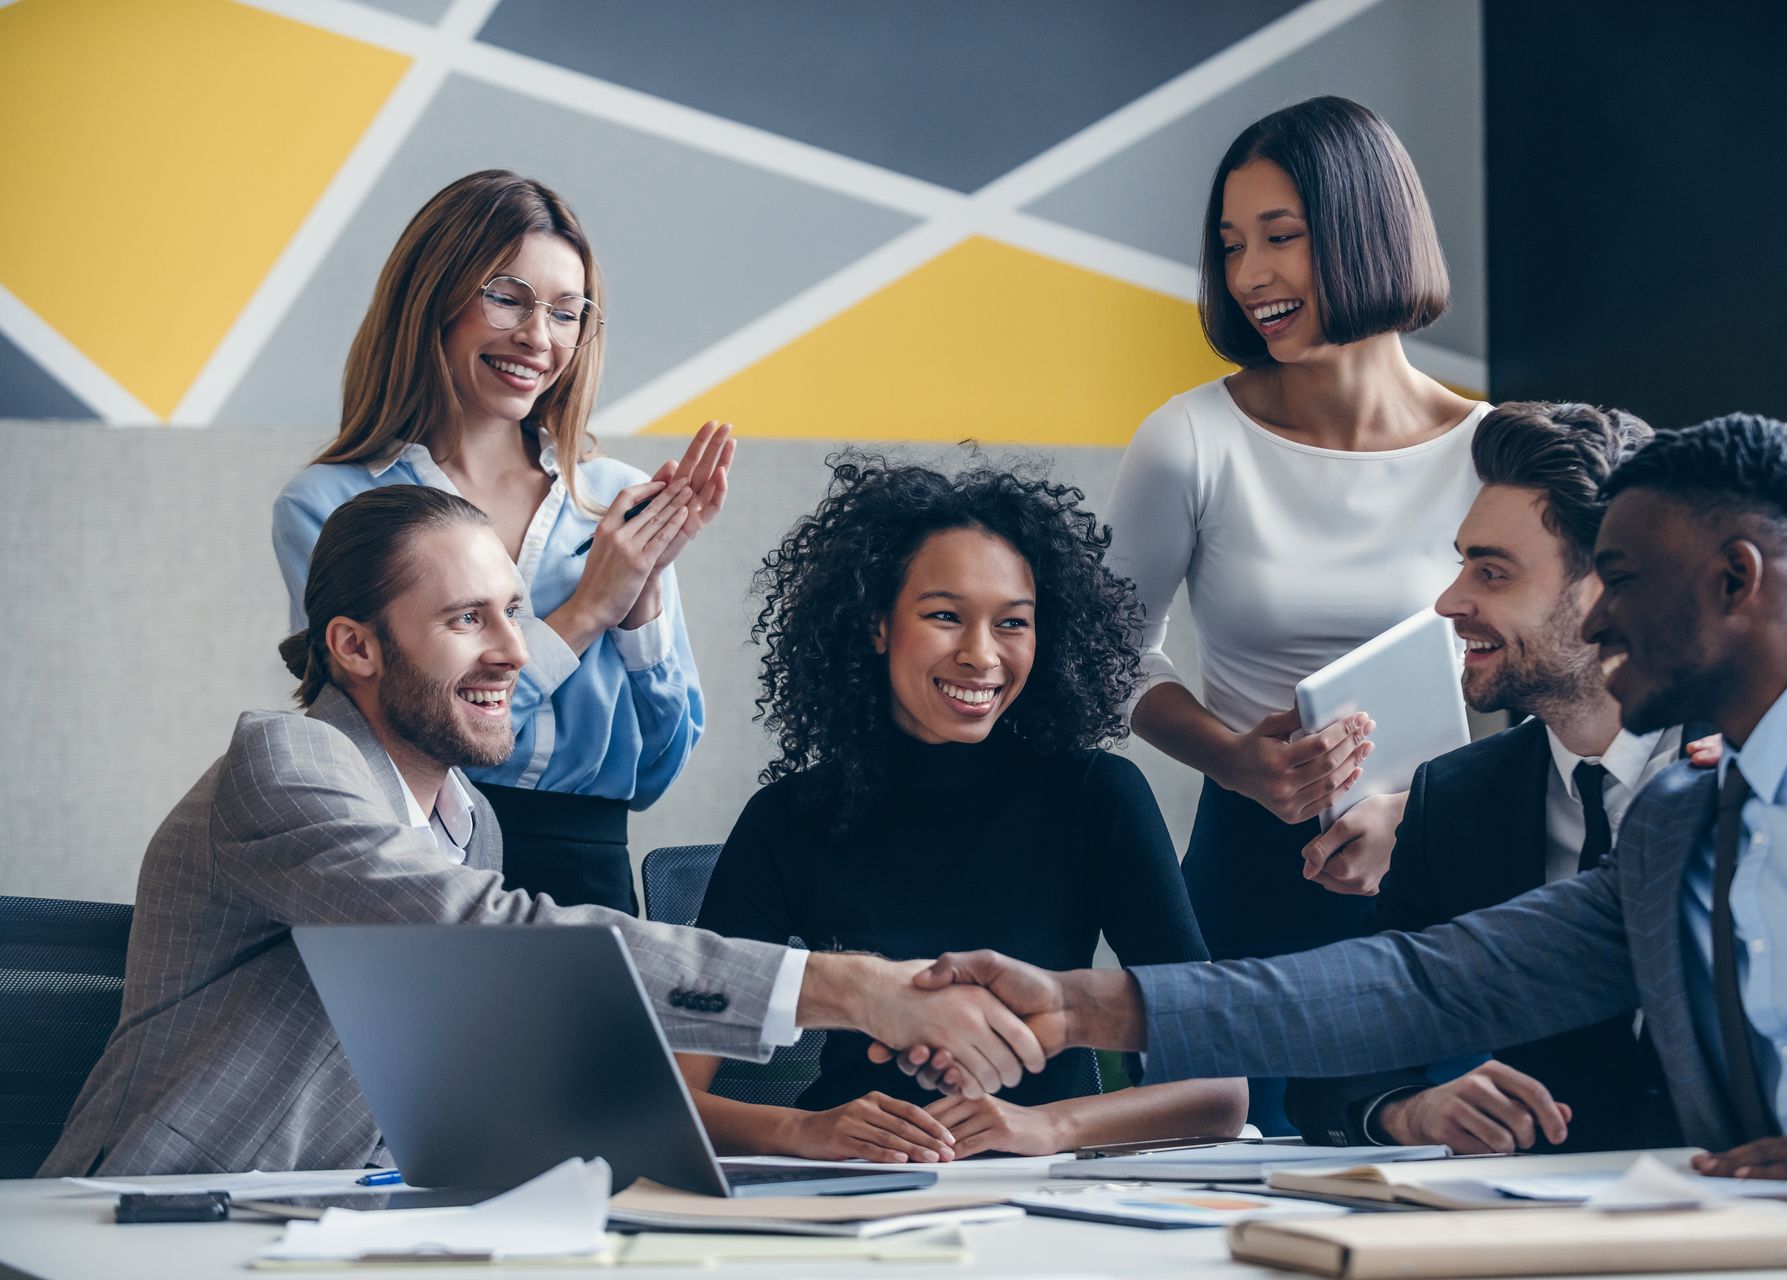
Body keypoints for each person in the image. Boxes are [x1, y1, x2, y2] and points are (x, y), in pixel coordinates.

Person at [886, 415, 1787, 1186]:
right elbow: (1431, 982)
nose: (1606, 615)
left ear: (1736, 582)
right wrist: (1077, 1004)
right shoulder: (1683, 823)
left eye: (1624, 577)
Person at [41, 486, 1043, 1178]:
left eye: (514, 612)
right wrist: (846, 985)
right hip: (154, 1211)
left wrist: (793, 1134)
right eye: (469, 619)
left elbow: (478, 1085)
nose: (517, 650)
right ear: (354, 644)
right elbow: (485, 929)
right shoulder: (289, 765)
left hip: (324, 1220)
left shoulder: (466, 818)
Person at [676, 458, 1247, 1162]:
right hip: (850, 1186)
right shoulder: (788, 818)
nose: (981, 656)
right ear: (877, 624)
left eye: (1013, 623)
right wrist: (806, 1132)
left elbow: (1222, 1091)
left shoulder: (1099, 796)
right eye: (945, 616)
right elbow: (667, 1092)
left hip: (1047, 1188)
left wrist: (1051, 1126)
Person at [1101, 96, 1489, 1130]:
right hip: (1245, 871)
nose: (1251, 276)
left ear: (1371, 228)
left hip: (1436, 869)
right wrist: (1236, 755)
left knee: (1444, 1182)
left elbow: (1554, 690)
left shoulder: (1494, 452)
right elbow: (1104, 661)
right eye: (1232, 245)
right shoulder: (1189, 439)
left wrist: (1416, 808)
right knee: (1220, 1183)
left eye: (1282, 236)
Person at [274, 169, 726, 915]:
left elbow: (655, 775)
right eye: (507, 296)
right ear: (434, 296)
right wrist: (587, 612)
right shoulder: (329, 504)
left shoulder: (616, 498)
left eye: (567, 312)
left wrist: (640, 607)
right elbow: (384, 737)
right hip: (415, 862)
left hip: (592, 876)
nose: (537, 337)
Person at [1288, 401, 1693, 1154]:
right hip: (1545, 1234)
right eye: (1462, 562)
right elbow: (1338, 1064)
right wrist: (1409, 1112)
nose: (1449, 602)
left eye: (1492, 572)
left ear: (1608, 591)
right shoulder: (1458, 799)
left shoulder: (1762, 764)